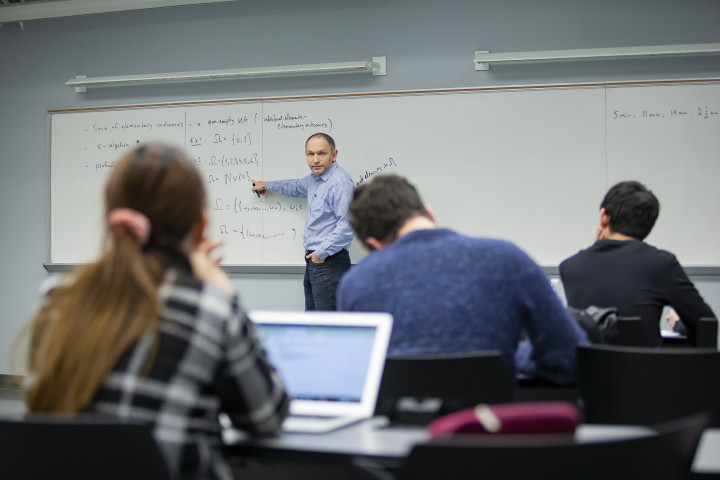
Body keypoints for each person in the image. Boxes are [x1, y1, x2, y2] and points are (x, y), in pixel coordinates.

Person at [23, 144, 290, 480]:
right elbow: (266, 417)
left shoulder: (57, 297)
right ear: (200, 227)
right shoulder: (210, 308)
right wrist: (222, 290)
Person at [336, 174, 588, 386]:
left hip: (393, 441)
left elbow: (355, 378)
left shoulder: (356, 283)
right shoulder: (507, 258)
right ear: (430, 214)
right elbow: (571, 357)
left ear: (373, 244)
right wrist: (510, 353)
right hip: (487, 436)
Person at [559, 180, 715, 347]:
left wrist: (594, 250)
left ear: (604, 216)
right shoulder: (661, 264)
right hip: (647, 372)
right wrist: (678, 324)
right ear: (648, 228)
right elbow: (706, 323)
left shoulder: (570, 267)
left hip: (589, 372)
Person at [251, 132, 354, 311]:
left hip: (329, 260)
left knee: (327, 326)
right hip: (316, 260)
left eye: (321, 153)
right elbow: (295, 186)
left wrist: (320, 254)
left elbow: (347, 226)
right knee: (313, 323)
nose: (315, 160)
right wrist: (266, 184)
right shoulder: (315, 180)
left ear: (334, 155)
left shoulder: (339, 182)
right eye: (310, 154)